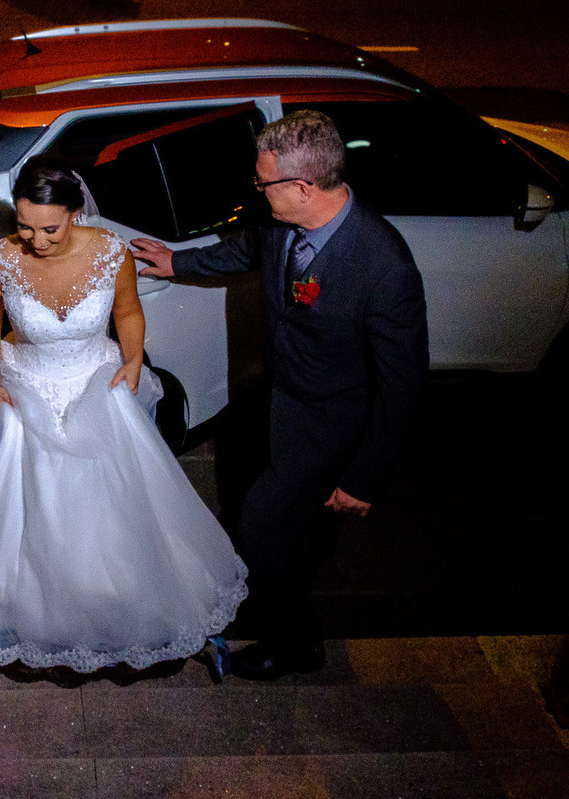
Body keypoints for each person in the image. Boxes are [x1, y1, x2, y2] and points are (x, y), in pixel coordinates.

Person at [0, 155, 248, 673]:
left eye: (48, 228)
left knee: (114, 511)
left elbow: (128, 312)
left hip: (97, 380)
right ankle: (29, 612)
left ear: (74, 213)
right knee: (23, 504)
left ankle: (113, 607)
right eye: (24, 226)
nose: (36, 240)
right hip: (28, 385)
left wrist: (133, 359)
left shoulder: (111, 254)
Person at [133, 110, 429, 680]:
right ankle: (292, 565)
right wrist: (177, 263)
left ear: (302, 187)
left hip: (330, 421)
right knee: (286, 525)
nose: (256, 190)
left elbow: (402, 384)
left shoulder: (384, 266)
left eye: (263, 182)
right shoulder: (279, 223)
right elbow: (247, 250)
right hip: (280, 400)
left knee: (261, 524)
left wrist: (365, 476)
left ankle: (294, 644)